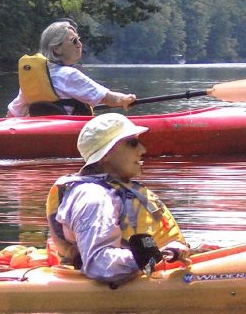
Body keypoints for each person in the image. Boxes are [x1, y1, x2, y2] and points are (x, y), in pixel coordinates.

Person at [46, 113, 190, 286]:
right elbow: (99, 264)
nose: (142, 150)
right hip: (132, 281)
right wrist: (148, 256)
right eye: (132, 143)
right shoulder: (93, 197)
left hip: (159, 267)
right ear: (106, 154)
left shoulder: (115, 188)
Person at [6, 20, 136, 117]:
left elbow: (12, 114)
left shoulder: (36, 78)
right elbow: (108, 98)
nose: (80, 44)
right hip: (66, 134)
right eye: (74, 41)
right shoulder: (68, 75)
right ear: (56, 48)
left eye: (78, 40)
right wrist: (125, 99)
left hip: (40, 135)